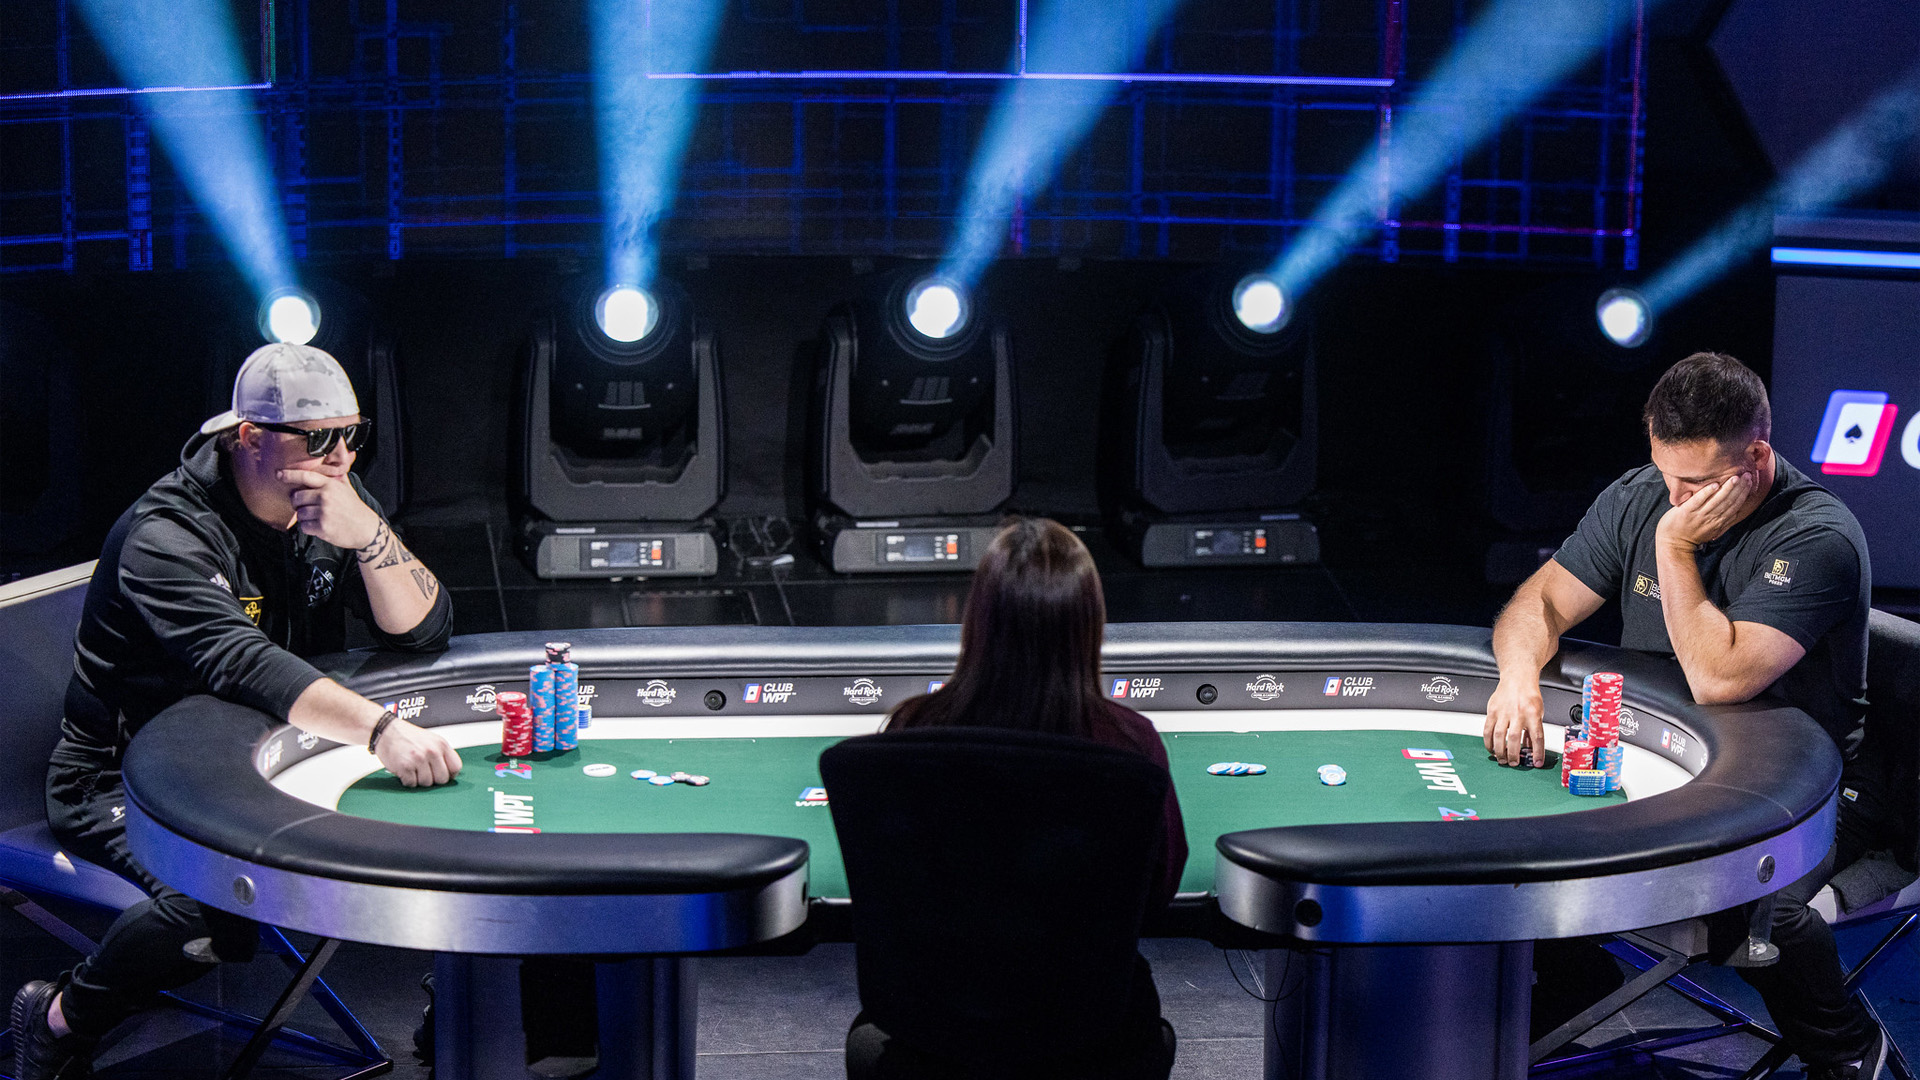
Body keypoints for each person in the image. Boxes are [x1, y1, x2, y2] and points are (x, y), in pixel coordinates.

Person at [10, 342, 464, 1080]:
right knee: (214, 908)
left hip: (263, 758)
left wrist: (371, 537)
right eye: (318, 439)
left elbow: (425, 630)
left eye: (353, 435)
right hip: (126, 778)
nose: (342, 457)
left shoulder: (335, 498)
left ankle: (465, 1005)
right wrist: (380, 731)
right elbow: (242, 662)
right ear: (250, 437)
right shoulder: (166, 535)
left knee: (446, 821)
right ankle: (58, 1017)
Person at [1485, 352, 1889, 1079]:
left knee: (1756, 904)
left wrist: (1674, 547)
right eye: (1665, 473)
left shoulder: (1818, 535)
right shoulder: (1644, 494)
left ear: (1756, 457)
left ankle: (1849, 1049)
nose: (1675, 498)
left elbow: (1718, 678)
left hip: (1808, 791)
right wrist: (1517, 676)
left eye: (1698, 484)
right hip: (1676, 771)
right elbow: (1537, 602)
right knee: (1518, 842)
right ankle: (1579, 985)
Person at [874, 516, 1188, 1068]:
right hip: (1094, 1025)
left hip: (938, 1022)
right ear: (1089, 623)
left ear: (978, 617)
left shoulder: (913, 728)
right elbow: (1157, 890)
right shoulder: (1130, 742)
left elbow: (891, 885)